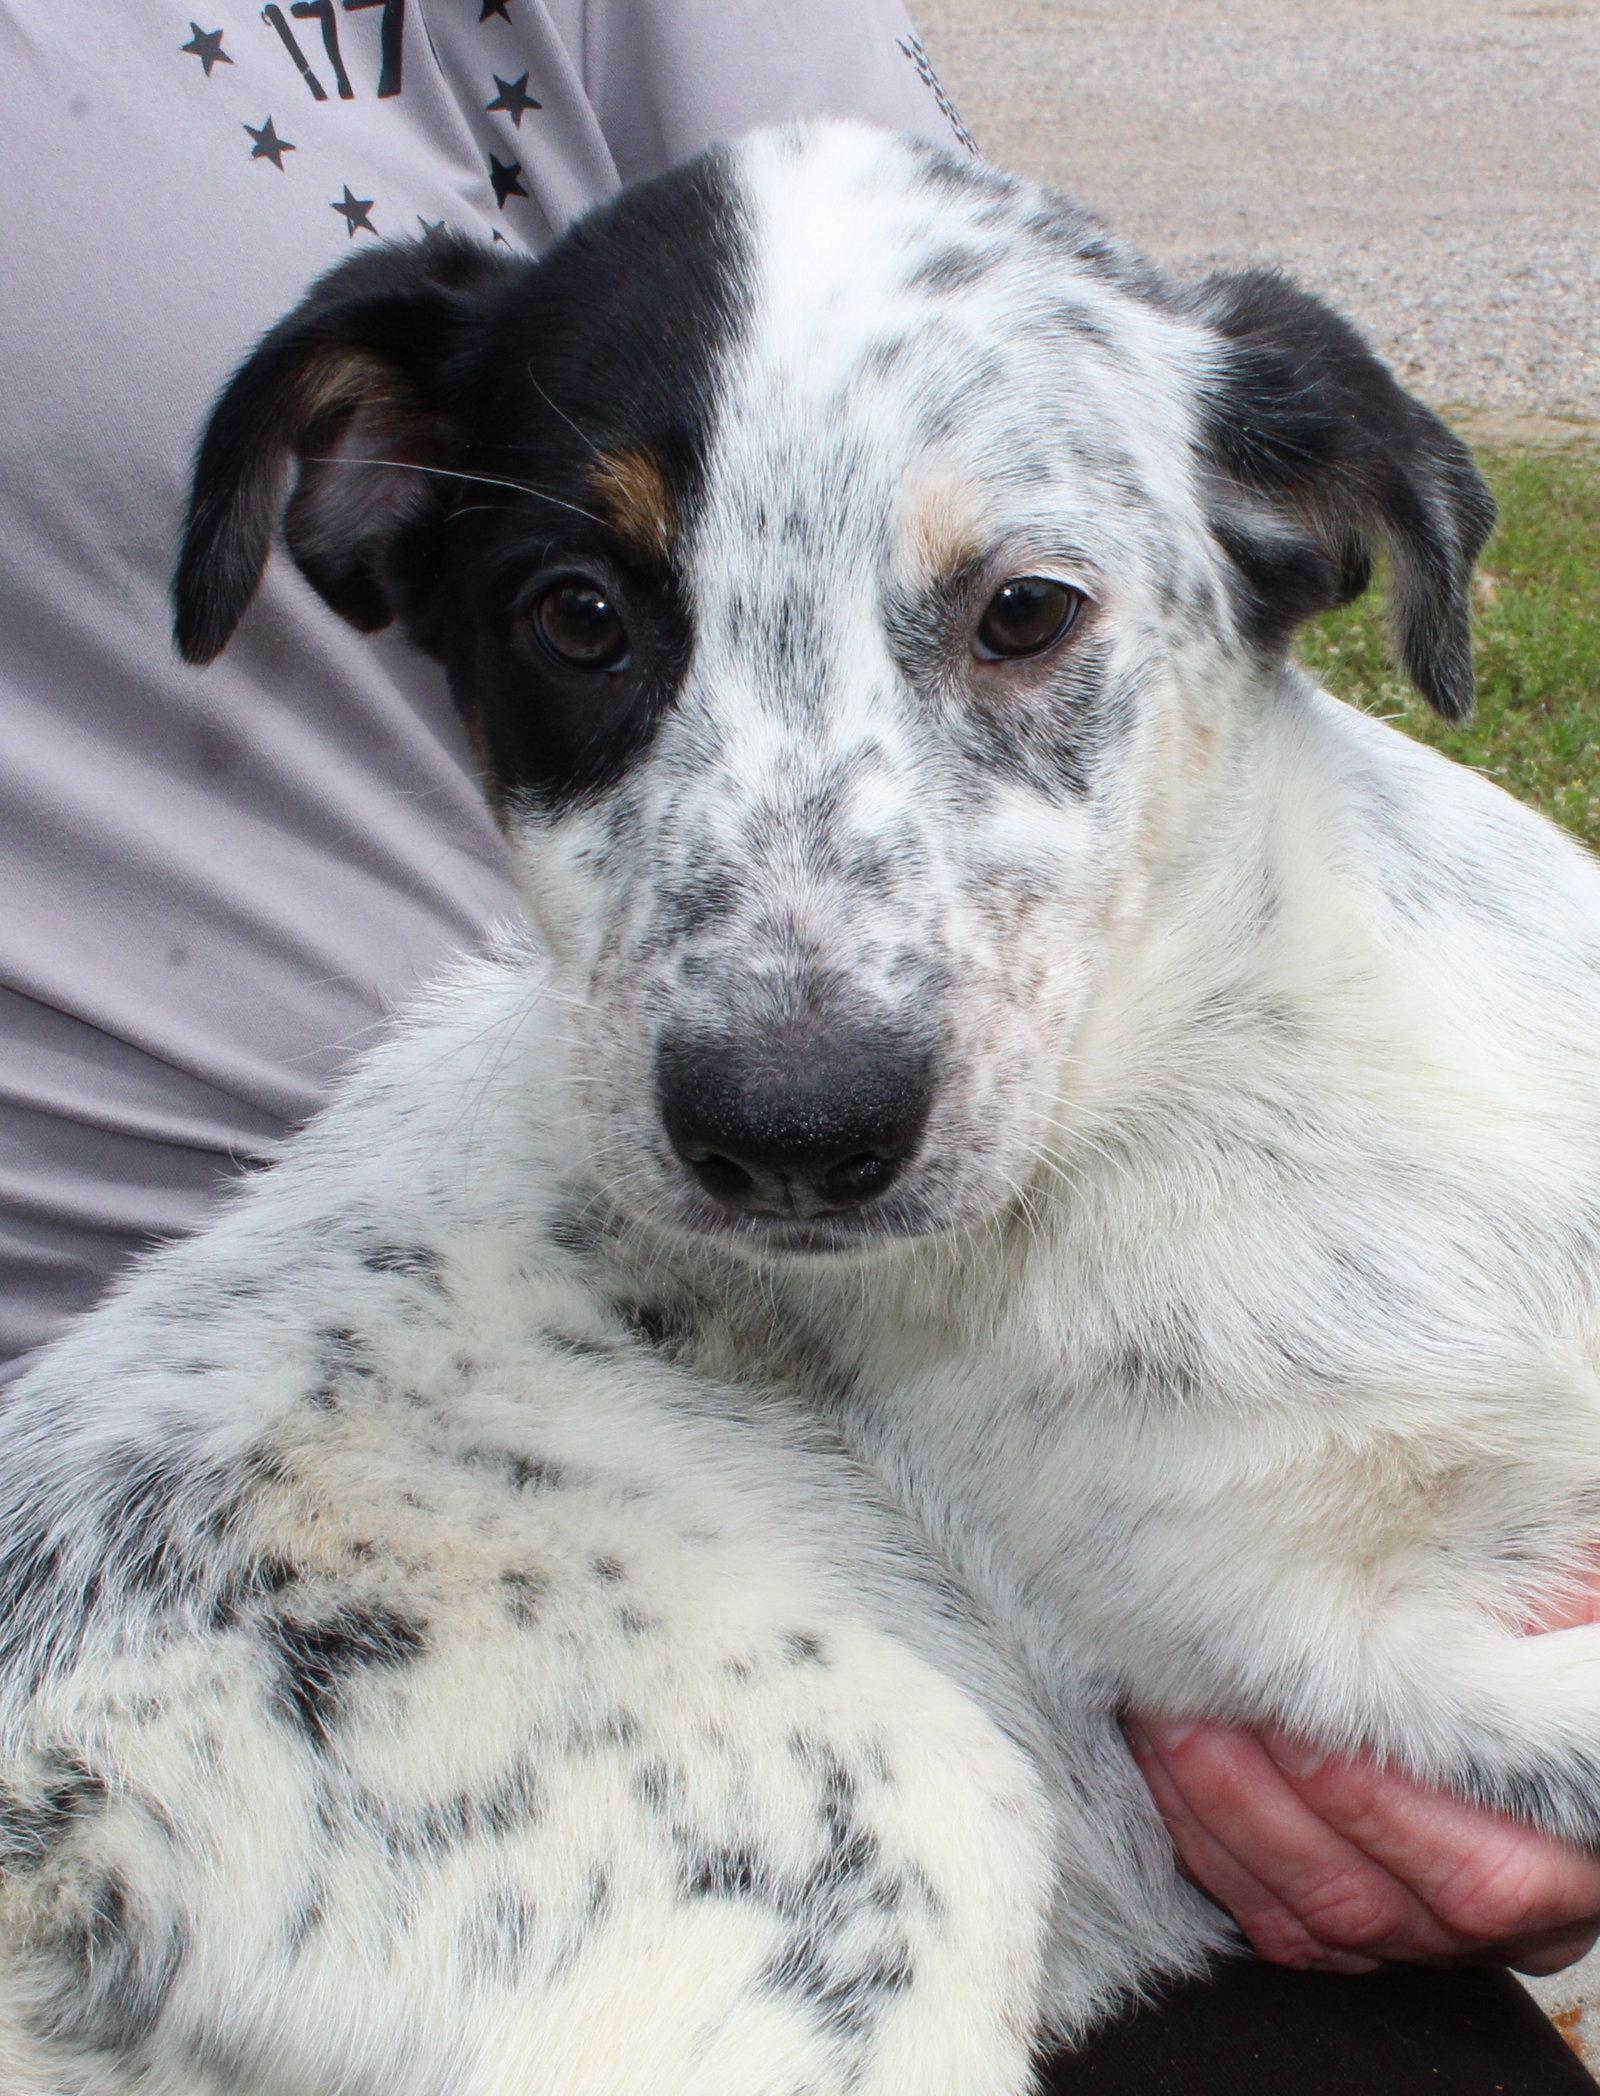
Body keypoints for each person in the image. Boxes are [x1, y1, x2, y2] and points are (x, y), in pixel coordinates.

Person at [0, 6, 1593, 2087]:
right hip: (294, 1665)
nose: (786, 1053)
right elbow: (1392, 1707)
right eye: (586, 620)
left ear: (1302, 544)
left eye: (1015, 619)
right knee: (936, 1858)